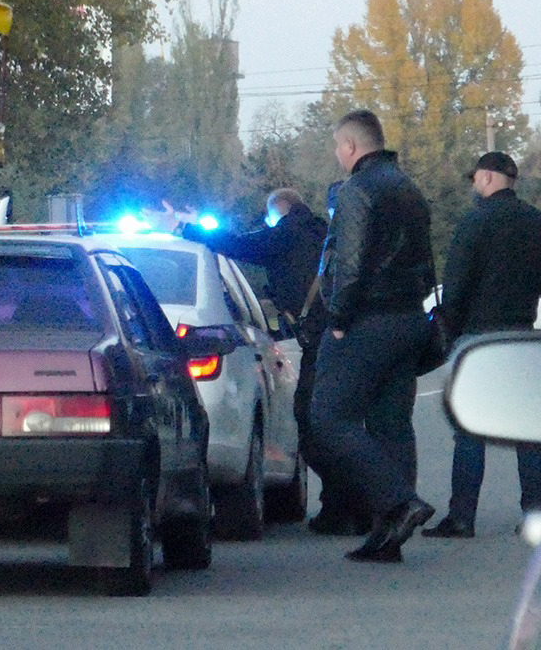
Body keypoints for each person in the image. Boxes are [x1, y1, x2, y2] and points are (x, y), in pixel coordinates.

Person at [148, 189, 363, 531]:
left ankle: (347, 506)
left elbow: (239, 245)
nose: (266, 224)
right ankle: (349, 506)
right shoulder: (320, 232)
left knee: (312, 422)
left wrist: (183, 229)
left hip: (321, 340)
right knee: (331, 421)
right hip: (340, 337)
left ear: (279, 211)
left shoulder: (286, 234)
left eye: (268, 218)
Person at [310, 109, 437, 563]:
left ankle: (400, 503)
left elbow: (351, 261)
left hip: (367, 319)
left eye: (337, 147)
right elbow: (425, 259)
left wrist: (339, 317)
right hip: (409, 319)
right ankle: (389, 537)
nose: (337, 155)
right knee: (391, 424)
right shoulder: (408, 188)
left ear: (350, 146)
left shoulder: (356, 190)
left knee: (328, 417)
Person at [423, 152, 541, 539]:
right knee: (528, 430)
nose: (474, 184)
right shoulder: (535, 221)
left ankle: (462, 516)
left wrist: (448, 329)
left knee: (470, 429)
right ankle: (534, 511)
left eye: (475, 178)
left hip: (478, 337)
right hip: (520, 334)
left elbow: (456, 285)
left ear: (487, 177)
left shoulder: (474, 222)